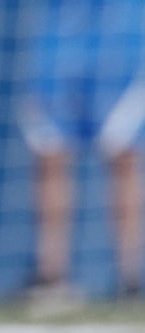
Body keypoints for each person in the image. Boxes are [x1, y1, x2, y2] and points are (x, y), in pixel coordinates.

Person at [20, 0, 145, 308]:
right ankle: (52, 277)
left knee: (124, 153)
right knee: (50, 151)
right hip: (61, 37)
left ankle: (130, 279)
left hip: (121, 35)